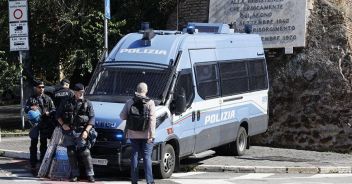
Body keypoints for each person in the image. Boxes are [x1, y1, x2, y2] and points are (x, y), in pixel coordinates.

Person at [56, 83, 96, 183]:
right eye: (79, 92)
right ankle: (75, 175)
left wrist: (87, 131)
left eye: (82, 92)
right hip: (69, 131)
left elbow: (92, 118)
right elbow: (57, 115)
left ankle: (90, 175)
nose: (81, 94)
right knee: (71, 152)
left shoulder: (88, 103)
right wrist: (63, 124)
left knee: (85, 152)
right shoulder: (66, 102)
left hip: (82, 131)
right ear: (75, 92)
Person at [120, 82, 156, 184]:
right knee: (146, 157)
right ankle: (149, 181)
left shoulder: (130, 102)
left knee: (134, 156)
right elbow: (152, 121)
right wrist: (152, 135)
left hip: (133, 134)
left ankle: (134, 180)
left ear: (137, 90)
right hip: (146, 135)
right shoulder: (150, 103)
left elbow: (122, 117)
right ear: (146, 91)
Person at [24, 80, 56, 173]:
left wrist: (48, 113)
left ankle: (43, 163)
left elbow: (53, 109)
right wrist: (31, 108)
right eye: (39, 87)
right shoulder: (32, 99)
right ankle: (33, 163)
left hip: (45, 123)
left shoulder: (48, 98)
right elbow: (26, 109)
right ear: (36, 88)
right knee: (33, 144)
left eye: (43, 87)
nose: (41, 89)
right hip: (35, 124)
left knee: (43, 144)